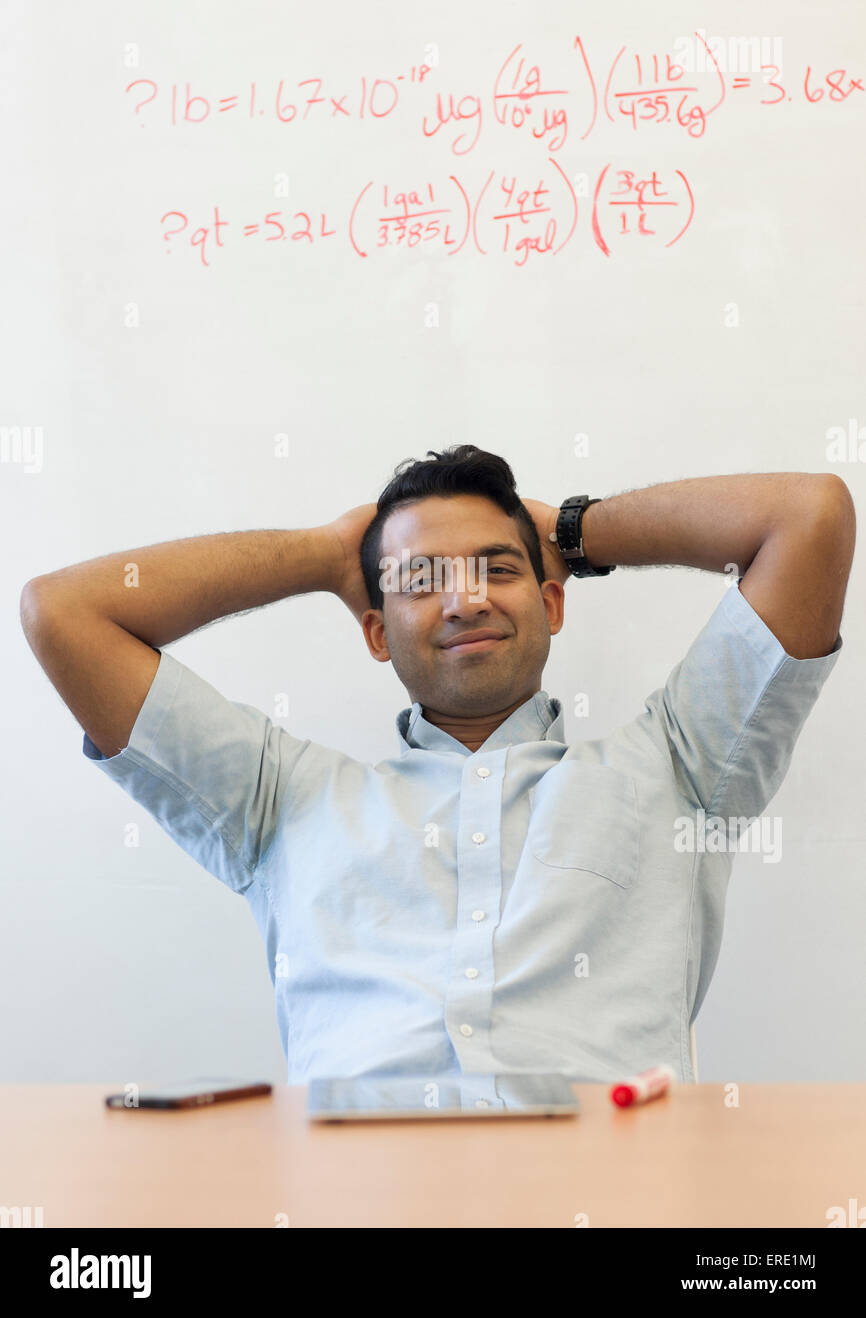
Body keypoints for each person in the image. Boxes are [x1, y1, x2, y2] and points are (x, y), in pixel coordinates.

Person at [19, 446, 854, 1087]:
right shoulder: (277, 798)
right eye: (421, 580)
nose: (467, 599)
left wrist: (566, 531)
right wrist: (324, 554)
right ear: (376, 630)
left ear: (552, 599)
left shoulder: (683, 765)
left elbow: (809, 517)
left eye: (498, 567)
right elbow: (66, 612)